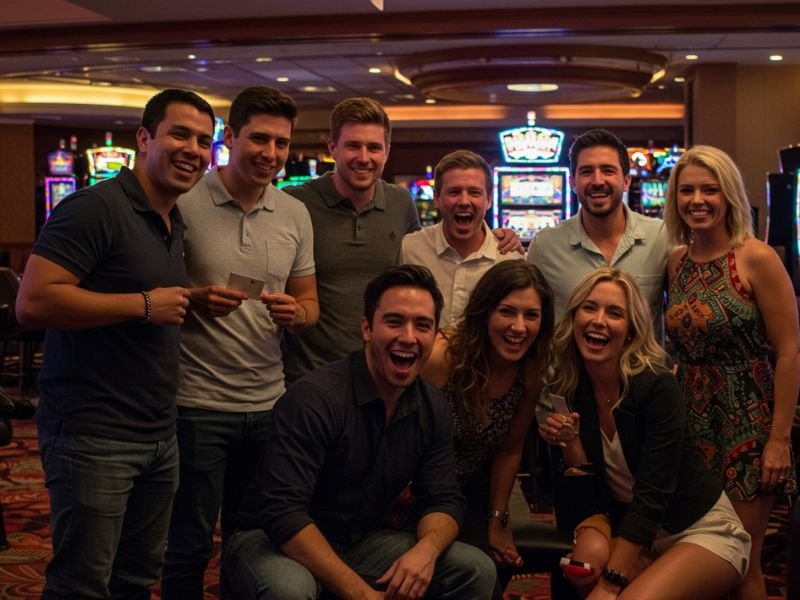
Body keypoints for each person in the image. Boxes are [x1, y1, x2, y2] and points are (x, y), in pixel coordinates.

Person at [15, 89, 215, 599]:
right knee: (82, 585)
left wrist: (190, 301)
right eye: (180, 134)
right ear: (144, 138)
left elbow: (133, 293)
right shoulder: (94, 207)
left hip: (158, 432)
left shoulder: (171, 216)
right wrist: (144, 305)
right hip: (93, 433)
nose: (193, 149)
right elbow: (33, 302)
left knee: (136, 580)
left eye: (204, 140)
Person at [224, 264, 496, 600]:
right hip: (270, 540)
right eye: (394, 322)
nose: (409, 337)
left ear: (435, 335)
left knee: (475, 569)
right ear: (367, 328)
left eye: (422, 325)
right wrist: (362, 594)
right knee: (290, 589)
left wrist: (426, 551)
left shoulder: (432, 404)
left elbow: (443, 498)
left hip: (356, 541)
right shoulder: (314, 398)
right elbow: (283, 513)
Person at [162, 86, 318, 599]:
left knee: (250, 542)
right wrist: (195, 299)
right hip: (197, 403)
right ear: (229, 137)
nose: (271, 154)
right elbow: (152, 293)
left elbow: (310, 305)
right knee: (188, 544)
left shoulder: (294, 212)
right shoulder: (183, 200)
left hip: (269, 403)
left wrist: (297, 314)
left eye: (281, 143)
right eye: (259, 139)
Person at [541, 267, 751, 600]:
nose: (598, 320)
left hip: (698, 529)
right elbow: (578, 506)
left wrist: (611, 583)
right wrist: (571, 445)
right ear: (574, 317)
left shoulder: (655, 385)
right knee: (582, 568)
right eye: (589, 308)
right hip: (637, 531)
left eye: (614, 313)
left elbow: (652, 496)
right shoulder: (570, 387)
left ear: (631, 330)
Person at [283, 97, 519, 382]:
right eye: (353, 145)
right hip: (311, 374)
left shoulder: (400, 201)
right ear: (333, 147)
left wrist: (500, 237)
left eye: (374, 147)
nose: (364, 157)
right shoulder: (295, 203)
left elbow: (415, 271)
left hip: (383, 371)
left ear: (387, 151)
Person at [663, 145, 800, 600]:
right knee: (698, 551)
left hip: (747, 419)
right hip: (690, 418)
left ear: (729, 195)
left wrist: (778, 440)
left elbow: (789, 352)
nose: (697, 200)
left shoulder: (756, 257)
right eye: (687, 191)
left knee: (742, 558)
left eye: (710, 189)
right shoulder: (676, 261)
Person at [421, 261, 554, 581]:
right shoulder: (443, 357)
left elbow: (511, 449)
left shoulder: (530, 369)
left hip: (475, 484)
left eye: (531, 315)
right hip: (420, 485)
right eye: (507, 312)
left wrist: (497, 521)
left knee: (495, 564)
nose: (519, 327)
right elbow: (400, 440)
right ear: (484, 313)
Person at [527, 129, 669, 325]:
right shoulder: (544, 246)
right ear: (573, 182)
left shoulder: (661, 237)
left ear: (626, 180)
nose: (597, 181)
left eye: (608, 170)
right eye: (586, 172)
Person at [402, 150, 525, 328]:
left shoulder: (511, 257)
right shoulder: (410, 249)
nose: (464, 201)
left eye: (474, 193)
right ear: (436, 198)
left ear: (489, 200)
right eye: (454, 192)